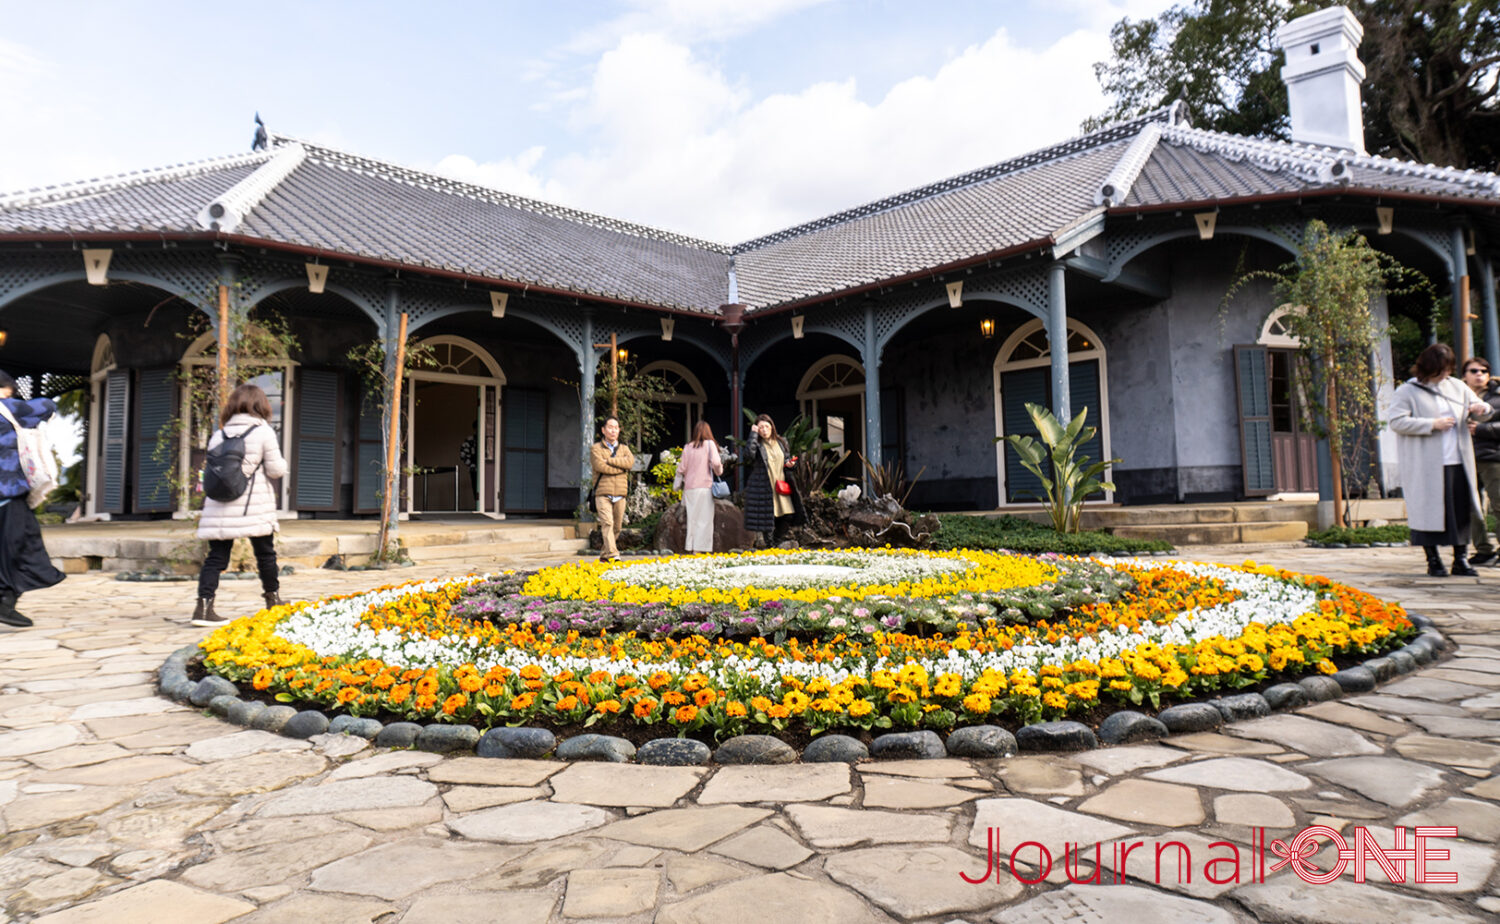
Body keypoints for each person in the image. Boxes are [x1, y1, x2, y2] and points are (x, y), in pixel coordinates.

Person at [1389, 343, 1493, 577]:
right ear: (1427, 368)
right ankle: (1433, 560)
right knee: (1430, 511)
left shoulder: (1457, 386)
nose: (1445, 374)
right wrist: (1431, 425)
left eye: (1448, 369)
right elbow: (1396, 421)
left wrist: (1480, 407)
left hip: (1458, 460)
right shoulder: (1408, 391)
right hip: (1426, 463)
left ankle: (1461, 559)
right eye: (1440, 370)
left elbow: (1485, 409)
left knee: (1462, 510)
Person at [192, 383, 288, 627]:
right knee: (265, 554)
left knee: (216, 557)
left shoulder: (219, 434)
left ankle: (203, 607)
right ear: (261, 405)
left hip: (219, 505)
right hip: (251, 505)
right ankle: (273, 602)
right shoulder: (263, 432)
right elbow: (276, 470)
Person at [0, 371, 64, 628]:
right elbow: (47, 406)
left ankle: (5, 601)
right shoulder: (9, 407)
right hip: (8, 493)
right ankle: (5, 602)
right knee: (24, 549)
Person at [742, 413, 803, 546]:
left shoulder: (782, 442)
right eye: (760, 428)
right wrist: (753, 435)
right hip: (765, 486)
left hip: (781, 485)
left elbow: (786, 458)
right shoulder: (757, 444)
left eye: (766, 426)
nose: (764, 430)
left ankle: (776, 541)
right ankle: (771, 546)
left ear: (772, 427)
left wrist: (790, 464)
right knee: (768, 518)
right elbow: (748, 456)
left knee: (788, 515)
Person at [1465, 356, 1500, 564]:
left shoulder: (1497, 397)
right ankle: (1483, 549)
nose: (1479, 375)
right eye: (1474, 371)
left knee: (1499, 504)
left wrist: (1482, 429)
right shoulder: (1458, 397)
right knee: (1471, 507)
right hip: (1465, 458)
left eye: (1483, 371)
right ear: (1464, 375)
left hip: (1493, 457)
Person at [674, 420, 725, 553]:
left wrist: (676, 485)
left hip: (690, 489)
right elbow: (716, 462)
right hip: (704, 487)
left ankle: (691, 547)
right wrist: (719, 470)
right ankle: (701, 549)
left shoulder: (688, 447)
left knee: (692, 519)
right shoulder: (710, 444)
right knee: (705, 520)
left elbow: (681, 468)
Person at [590, 417, 634, 562]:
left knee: (617, 527)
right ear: (603, 430)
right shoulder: (596, 448)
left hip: (620, 494)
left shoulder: (624, 449)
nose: (613, 430)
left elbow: (630, 463)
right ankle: (614, 555)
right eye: (610, 427)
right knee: (607, 523)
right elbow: (600, 467)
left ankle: (604, 555)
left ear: (619, 430)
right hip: (603, 493)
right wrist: (621, 469)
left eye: (616, 427)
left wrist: (609, 460)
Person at [459, 420, 478, 508]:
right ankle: (478, 507)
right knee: (475, 488)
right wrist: (471, 464)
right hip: (474, 469)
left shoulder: (488, 439)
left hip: (487, 469)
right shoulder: (470, 440)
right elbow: (463, 454)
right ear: (474, 429)